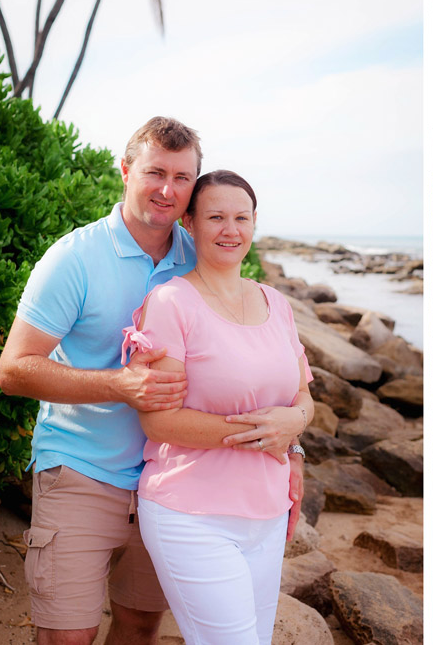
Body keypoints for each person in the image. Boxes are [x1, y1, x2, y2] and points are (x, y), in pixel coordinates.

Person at [0, 117, 305, 645]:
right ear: (125, 170)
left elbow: (267, 374)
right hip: (82, 469)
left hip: (171, 483)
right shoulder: (74, 259)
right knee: (67, 635)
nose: (167, 189)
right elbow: (13, 370)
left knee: (140, 627)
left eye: (182, 178)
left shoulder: (202, 256)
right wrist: (118, 385)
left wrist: (293, 452)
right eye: (155, 172)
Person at [124, 169, 313, 643]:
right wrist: (263, 434)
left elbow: (302, 396)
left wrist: (296, 427)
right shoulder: (171, 302)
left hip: (267, 514)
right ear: (190, 223)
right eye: (215, 217)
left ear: (253, 224)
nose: (230, 230)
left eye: (240, 218)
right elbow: (158, 419)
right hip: (190, 513)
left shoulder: (276, 302)